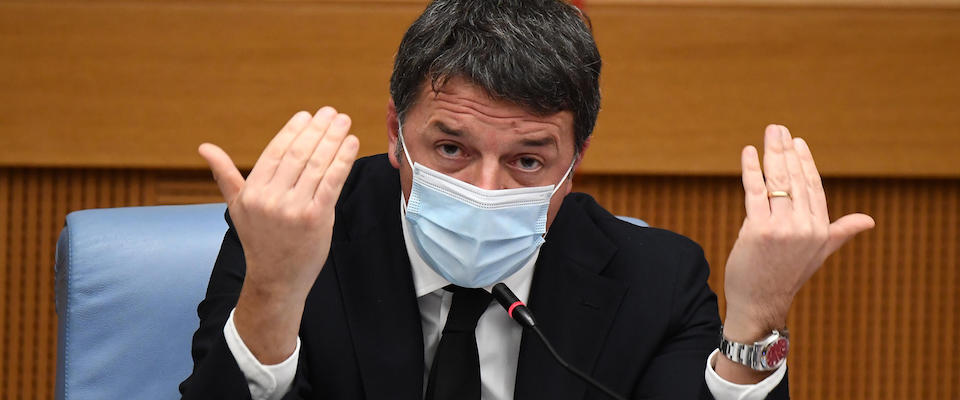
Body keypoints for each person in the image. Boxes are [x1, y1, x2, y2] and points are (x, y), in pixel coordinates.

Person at [179, 1, 875, 399]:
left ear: (575, 164)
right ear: (396, 133)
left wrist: (755, 321)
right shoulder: (297, 234)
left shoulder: (655, 279)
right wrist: (271, 291)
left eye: (527, 160)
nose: (485, 190)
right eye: (450, 149)